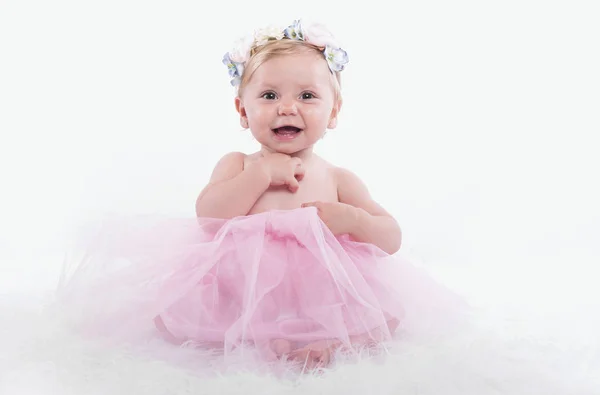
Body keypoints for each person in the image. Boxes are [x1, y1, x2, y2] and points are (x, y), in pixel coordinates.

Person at [55, 19, 466, 372]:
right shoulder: (239, 164)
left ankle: (327, 345)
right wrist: (261, 175)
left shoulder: (338, 177)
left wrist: (354, 221)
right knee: (175, 317)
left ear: (334, 112)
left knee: (385, 316)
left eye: (307, 96)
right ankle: (263, 340)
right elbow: (209, 215)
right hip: (246, 286)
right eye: (269, 96)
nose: (287, 108)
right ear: (242, 110)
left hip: (320, 288)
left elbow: (390, 237)